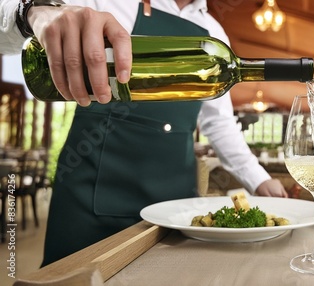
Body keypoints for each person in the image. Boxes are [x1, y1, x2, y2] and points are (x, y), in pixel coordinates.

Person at [0, 0, 288, 266]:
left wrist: (260, 180)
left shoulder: (215, 32)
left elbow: (220, 124)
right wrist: (31, 11)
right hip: (90, 193)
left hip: (175, 204)